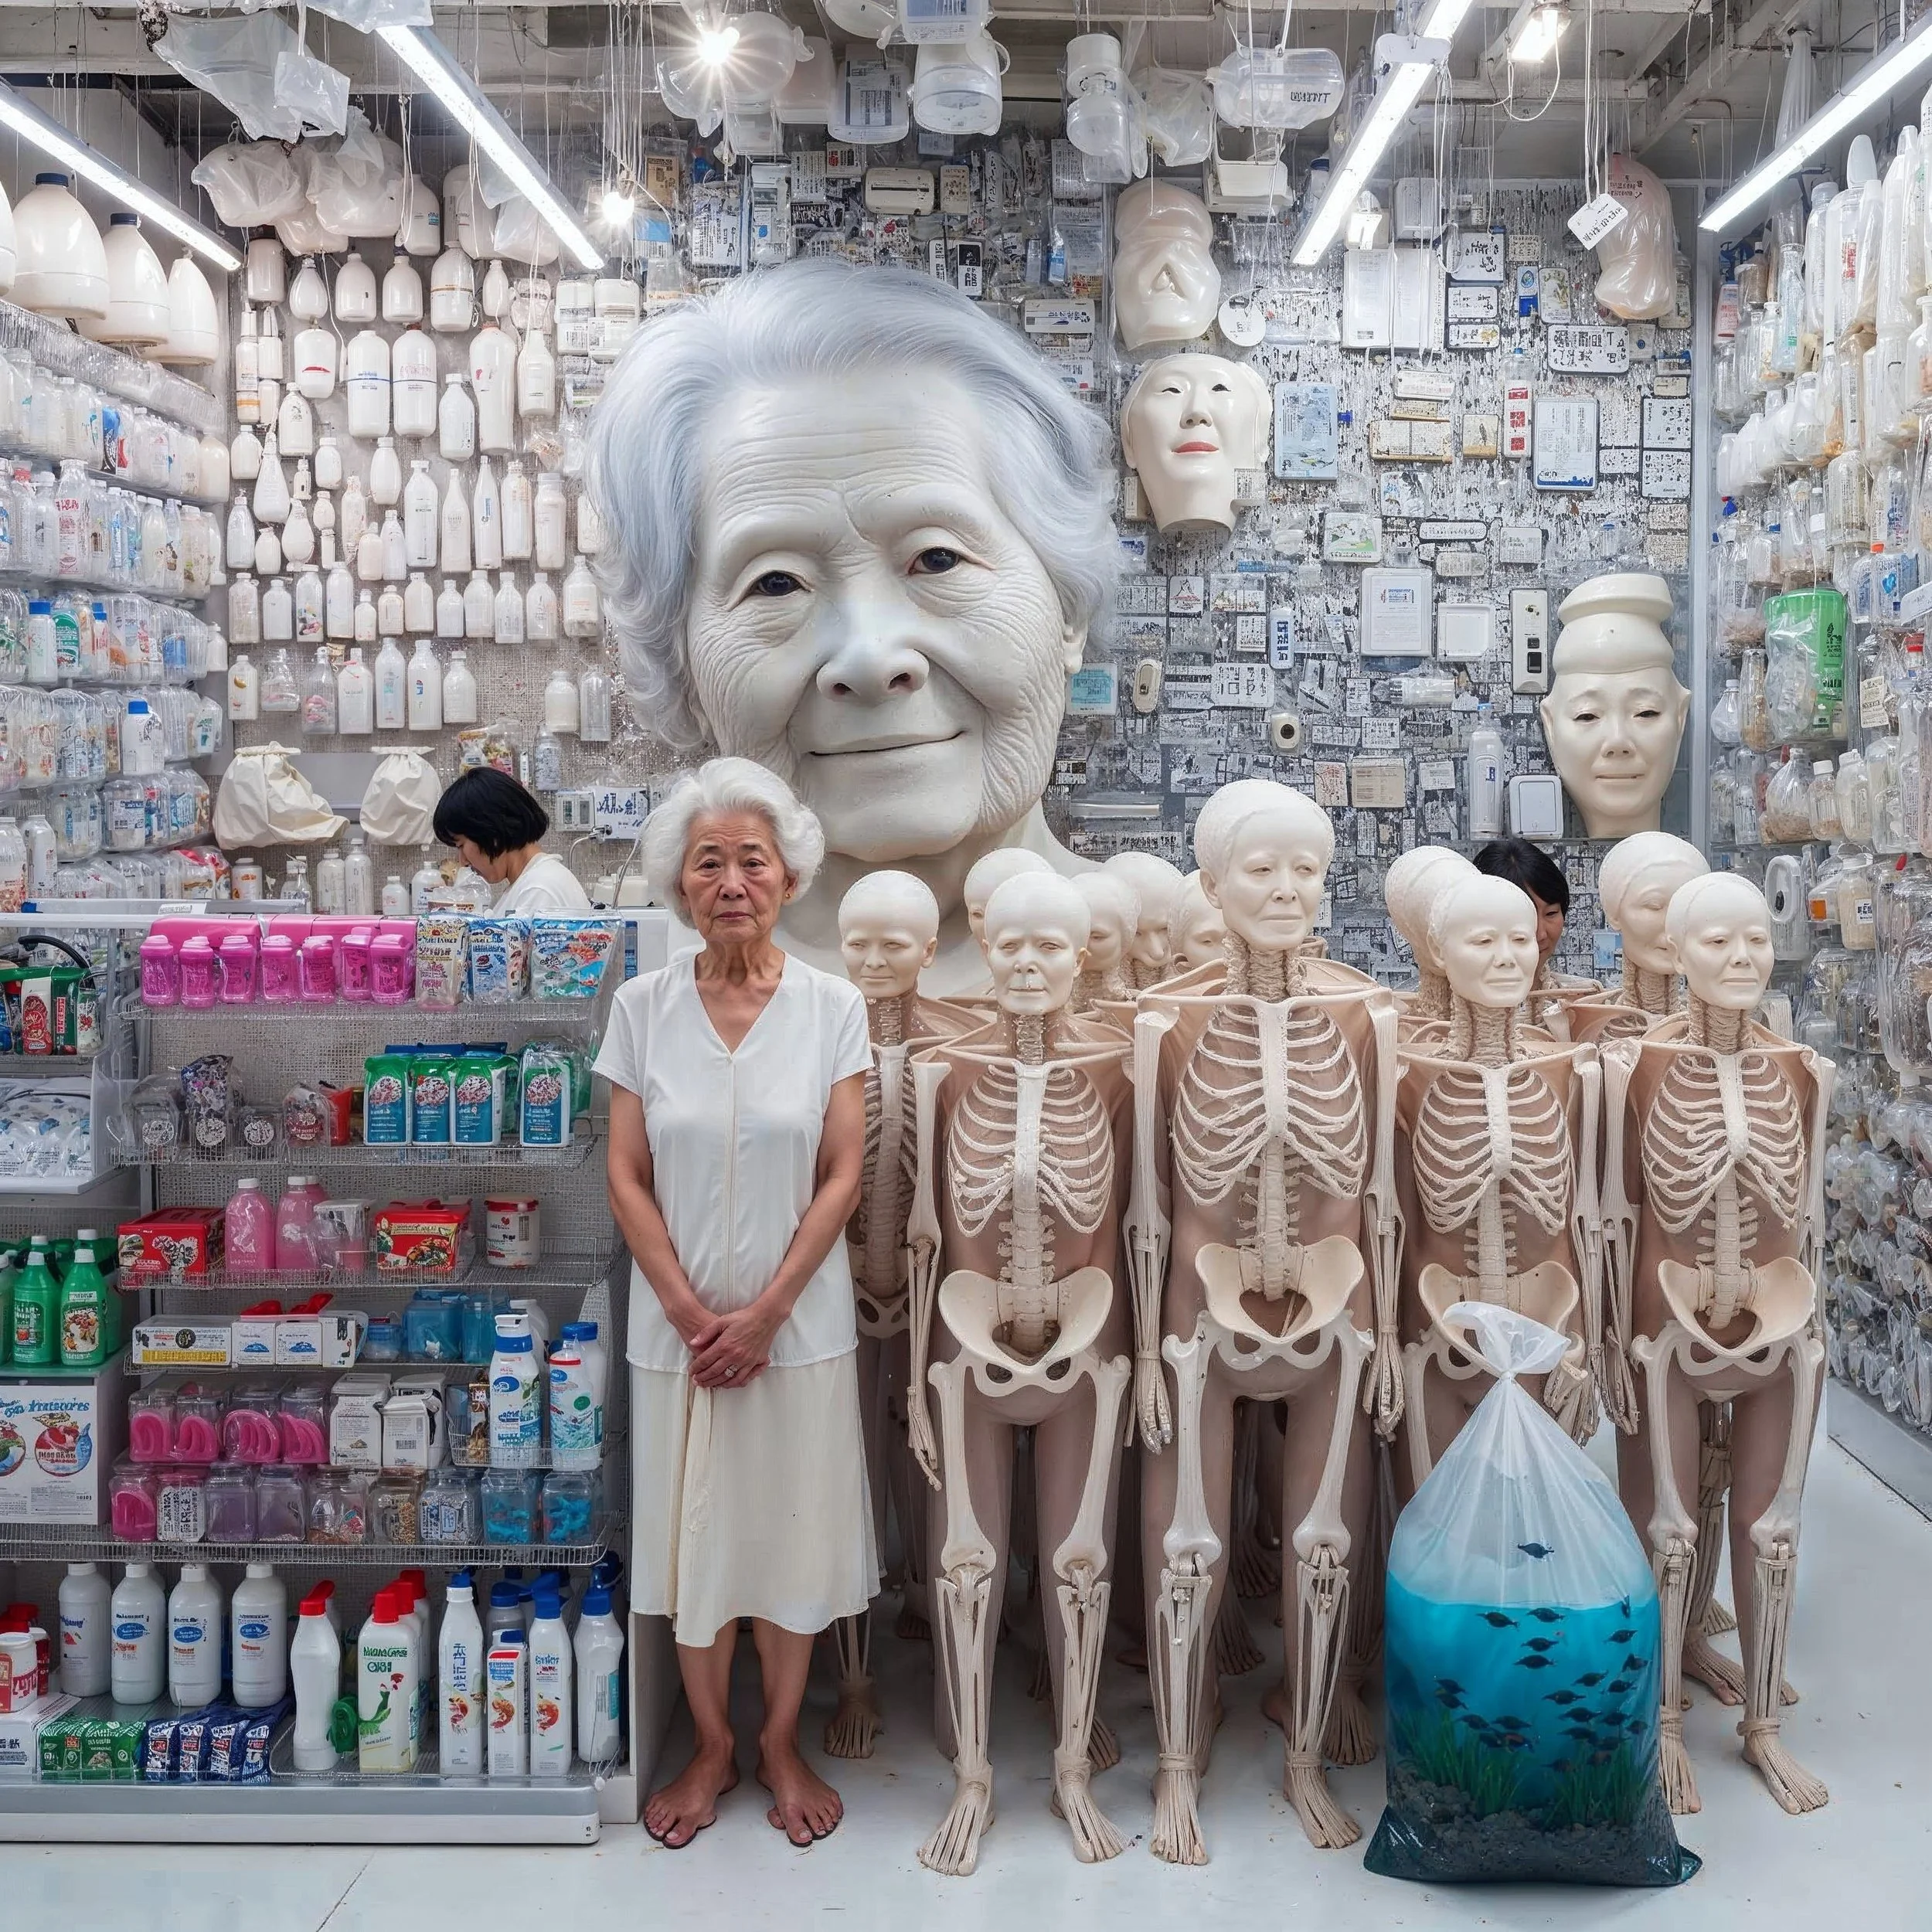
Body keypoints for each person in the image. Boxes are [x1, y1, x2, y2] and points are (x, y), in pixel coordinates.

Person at [584, 258, 1118, 994]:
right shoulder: (663, 1014)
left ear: (1067, 610)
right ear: (683, 660)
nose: (870, 658)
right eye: (775, 582)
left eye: (937, 558)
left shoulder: (1182, 979)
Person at [596, 757, 876, 1850]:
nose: (731, 882)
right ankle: (712, 1745)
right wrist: (683, 1306)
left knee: (788, 1539)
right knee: (697, 1538)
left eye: (751, 861)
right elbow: (624, 1171)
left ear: (789, 875)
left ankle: (778, 1743)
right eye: (707, 863)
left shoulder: (831, 1007)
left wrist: (762, 1315)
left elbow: (844, 1173)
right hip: (677, 1337)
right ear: (678, 885)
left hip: (795, 1332)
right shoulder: (640, 1008)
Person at [1474, 835, 1596, 1032]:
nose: (1540, 934)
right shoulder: (1444, 1017)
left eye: (1551, 913)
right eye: (1525, 916)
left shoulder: (1583, 1000)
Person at [431, 768, 592, 913]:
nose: (463, 861)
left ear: (491, 830)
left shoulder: (538, 890)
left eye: (461, 845)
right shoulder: (529, 883)